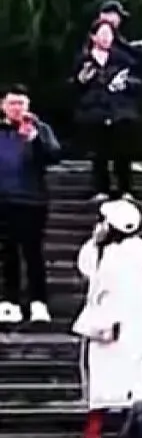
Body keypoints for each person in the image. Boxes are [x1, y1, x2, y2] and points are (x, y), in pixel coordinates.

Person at [72, 196, 142, 438]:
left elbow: (123, 298)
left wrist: (106, 323)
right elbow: (86, 267)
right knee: (101, 385)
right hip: (108, 328)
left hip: (120, 329)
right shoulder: (106, 251)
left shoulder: (129, 258)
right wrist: (95, 243)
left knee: (126, 385)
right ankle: (95, 437)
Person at [0, 90, 61, 325]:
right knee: (7, 253)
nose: (16, 108)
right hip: (3, 199)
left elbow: (54, 156)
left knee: (33, 253)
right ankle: (10, 301)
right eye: (12, 103)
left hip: (32, 199)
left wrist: (34, 138)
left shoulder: (40, 129)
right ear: (3, 106)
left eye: (21, 103)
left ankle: (38, 302)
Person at [73, 19, 142, 199]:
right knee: (99, 153)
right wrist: (81, 80)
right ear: (93, 36)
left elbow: (139, 82)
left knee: (122, 152)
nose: (106, 38)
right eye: (102, 33)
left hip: (119, 111)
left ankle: (125, 188)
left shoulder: (123, 58)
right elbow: (74, 87)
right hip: (94, 112)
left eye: (109, 34)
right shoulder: (83, 60)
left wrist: (125, 83)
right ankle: (100, 188)